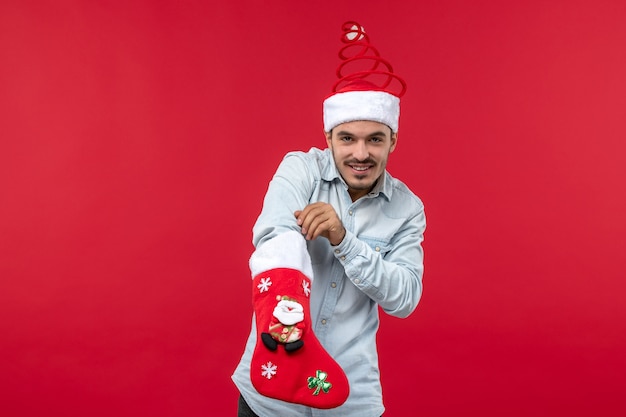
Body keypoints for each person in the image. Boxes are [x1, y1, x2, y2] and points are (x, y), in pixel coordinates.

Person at [232, 21, 426, 417]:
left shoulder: (407, 209)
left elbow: (405, 298)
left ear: (393, 140)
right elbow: (273, 234)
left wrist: (344, 239)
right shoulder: (300, 170)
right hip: (270, 387)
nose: (361, 153)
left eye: (375, 139)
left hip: (349, 396)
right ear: (329, 136)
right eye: (347, 138)